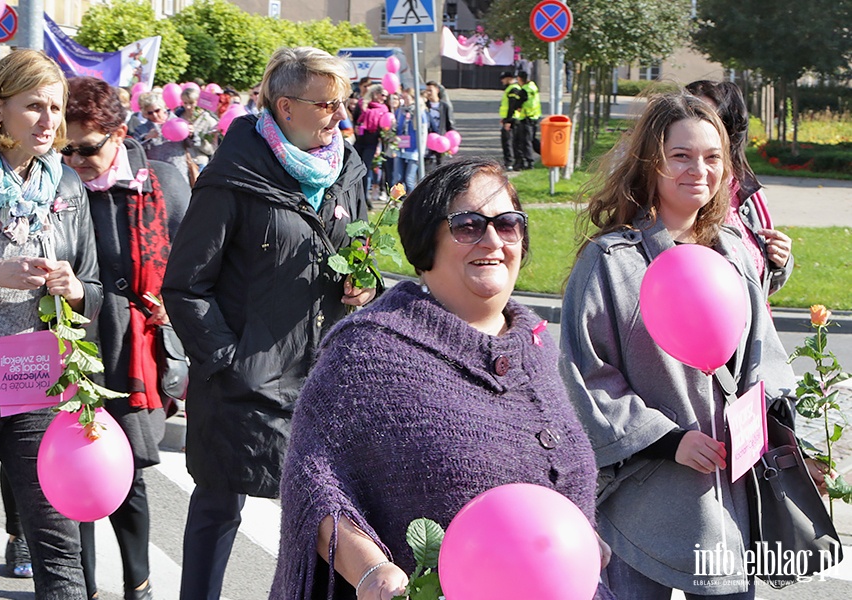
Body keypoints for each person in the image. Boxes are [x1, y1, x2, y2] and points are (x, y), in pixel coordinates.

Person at [270, 157, 614, 600]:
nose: (492, 239)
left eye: (508, 224)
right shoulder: (369, 352)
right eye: (468, 225)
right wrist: (371, 570)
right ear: (426, 241)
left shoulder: (535, 346)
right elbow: (312, 482)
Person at [558, 93, 805, 599]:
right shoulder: (611, 261)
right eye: (682, 155)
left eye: (713, 157)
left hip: (731, 495)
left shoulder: (734, 250)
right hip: (643, 499)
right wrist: (667, 440)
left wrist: (782, 435)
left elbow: (764, 355)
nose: (700, 169)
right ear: (652, 160)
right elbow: (586, 374)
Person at [160, 46, 375, 600]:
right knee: (217, 508)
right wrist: (228, 361)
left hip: (324, 380)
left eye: (342, 102)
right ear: (284, 106)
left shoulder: (346, 169)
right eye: (326, 104)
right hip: (243, 384)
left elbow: (358, 252)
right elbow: (186, 285)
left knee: (328, 516)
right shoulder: (231, 177)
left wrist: (366, 285)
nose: (339, 115)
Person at [0, 48, 102, 599]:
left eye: (56, 109)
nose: (48, 121)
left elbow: (95, 282)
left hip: (37, 378)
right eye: (34, 106)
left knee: (57, 538)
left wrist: (77, 288)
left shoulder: (66, 186)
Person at [63, 76, 191, 600]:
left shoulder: (161, 180)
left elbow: (192, 270)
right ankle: (82, 588)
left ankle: (137, 586)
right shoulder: (58, 184)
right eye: (65, 149)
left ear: (118, 133)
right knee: (71, 474)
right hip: (69, 343)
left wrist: (178, 330)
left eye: (87, 148)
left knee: (127, 473)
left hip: (137, 351)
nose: (75, 160)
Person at [685, 80, 793, 296]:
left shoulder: (747, 192)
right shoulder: (682, 188)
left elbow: (758, 285)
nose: (693, 125)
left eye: (706, 117)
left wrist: (780, 262)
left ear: (729, 131)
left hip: (751, 328)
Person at [132, 92, 190, 184]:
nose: (154, 115)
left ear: (163, 108)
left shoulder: (179, 122)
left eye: (157, 111)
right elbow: (135, 150)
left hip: (178, 171)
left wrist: (191, 134)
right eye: (150, 113)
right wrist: (146, 138)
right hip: (156, 175)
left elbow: (194, 144)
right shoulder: (142, 129)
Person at [354, 84, 389, 205]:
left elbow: (385, 128)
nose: (384, 98)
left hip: (372, 143)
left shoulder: (384, 109)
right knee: (356, 168)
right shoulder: (362, 105)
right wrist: (357, 128)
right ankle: (357, 195)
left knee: (365, 169)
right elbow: (355, 119)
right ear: (375, 94)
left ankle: (364, 197)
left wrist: (380, 144)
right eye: (382, 95)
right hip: (359, 142)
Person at [392, 87, 427, 193]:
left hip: (413, 150)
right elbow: (396, 128)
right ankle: (394, 203)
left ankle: (412, 203)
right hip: (400, 147)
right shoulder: (399, 111)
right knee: (397, 178)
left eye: (406, 98)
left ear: (413, 98)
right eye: (403, 97)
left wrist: (421, 151)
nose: (404, 100)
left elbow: (423, 133)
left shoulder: (419, 113)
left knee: (409, 179)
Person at [174, 86, 218, 170]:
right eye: (185, 103)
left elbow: (213, 150)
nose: (188, 107)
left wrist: (195, 138)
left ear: (198, 102)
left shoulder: (209, 121)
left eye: (191, 103)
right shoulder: (177, 118)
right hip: (180, 162)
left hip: (199, 163)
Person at [424, 80, 454, 171]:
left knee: (441, 166)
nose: (428, 93)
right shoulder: (424, 106)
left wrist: (451, 142)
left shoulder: (444, 106)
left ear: (437, 90)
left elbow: (450, 124)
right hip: (428, 140)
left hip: (441, 140)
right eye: (427, 91)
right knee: (427, 166)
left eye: (430, 90)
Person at [498, 71, 523, 171]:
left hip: (512, 119)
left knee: (508, 142)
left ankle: (510, 162)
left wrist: (508, 120)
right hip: (510, 118)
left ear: (508, 78)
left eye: (503, 79)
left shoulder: (513, 89)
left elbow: (512, 106)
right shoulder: (511, 88)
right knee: (511, 141)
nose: (502, 81)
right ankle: (512, 162)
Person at [516, 70, 541, 168]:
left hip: (526, 117)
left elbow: (518, 104)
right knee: (532, 139)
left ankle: (530, 162)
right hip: (535, 116)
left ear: (520, 79)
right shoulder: (533, 87)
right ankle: (545, 154)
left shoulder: (524, 90)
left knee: (526, 141)